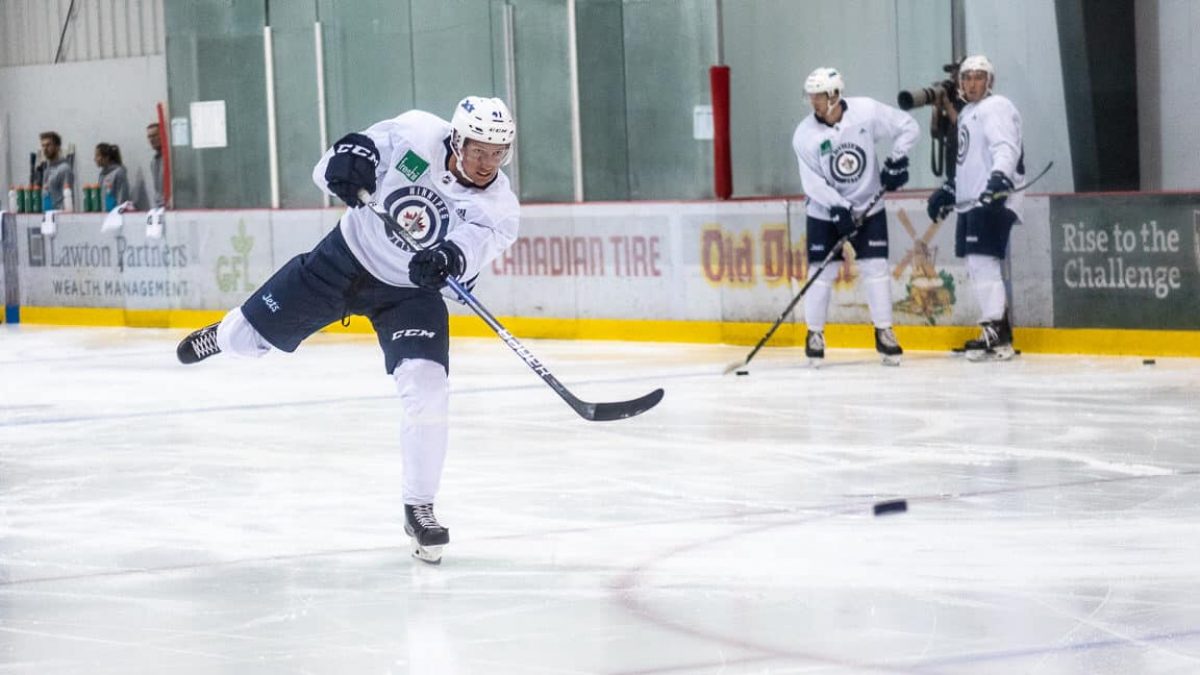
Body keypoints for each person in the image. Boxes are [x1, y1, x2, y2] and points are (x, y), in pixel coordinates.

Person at [175, 96, 520, 564]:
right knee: (245, 339)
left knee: (428, 390)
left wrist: (448, 258)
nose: (486, 164)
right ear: (457, 140)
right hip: (342, 262)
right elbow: (338, 163)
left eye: (497, 154)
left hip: (409, 294)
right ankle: (221, 335)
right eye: (478, 150)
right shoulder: (417, 134)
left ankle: (419, 507)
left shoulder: (499, 207)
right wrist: (347, 162)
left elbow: (470, 249)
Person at [792, 67, 919, 366]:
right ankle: (814, 334)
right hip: (824, 211)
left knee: (876, 268)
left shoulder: (866, 112)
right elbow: (812, 183)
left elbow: (909, 126)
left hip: (868, 207)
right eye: (811, 96)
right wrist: (838, 207)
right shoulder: (804, 135)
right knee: (821, 272)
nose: (814, 102)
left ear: (835, 95)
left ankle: (884, 332)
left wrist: (897, 159)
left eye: (819, 96)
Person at [926, 54, 1024, 361]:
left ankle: (995, 330)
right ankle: (998, 333)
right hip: (973, 199)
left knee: (983, 261)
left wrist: (999, 180)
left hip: (993, 196)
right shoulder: (969, 112)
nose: (972, 83)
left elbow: (1005, 148)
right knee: (975, 263)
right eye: (967, 78)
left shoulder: (996, 106)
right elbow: (968, 161)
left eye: (979, 77)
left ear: (989, 81)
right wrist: (950, 190)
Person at [36, 131, 75, 210]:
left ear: (57, 147)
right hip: (47, 214)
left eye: (48, 145)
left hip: (59, 215)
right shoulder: (47, 169)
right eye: (43, 146)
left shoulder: (64, 169)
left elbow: (67, 199)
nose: (45, 149)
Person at [95, 143, 131, 210]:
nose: (95, 159)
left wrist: (118, 211)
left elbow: (122, 196)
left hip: (116, 213)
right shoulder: (102, 175)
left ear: (107, 157)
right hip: (104, 213)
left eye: (98, 155)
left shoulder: (119, 172)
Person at [146, 122, 165, 208]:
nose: (151, 140)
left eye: (154, 136)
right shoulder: (154, 162)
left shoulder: (171, 159)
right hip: (159, 207)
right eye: (149, 137)